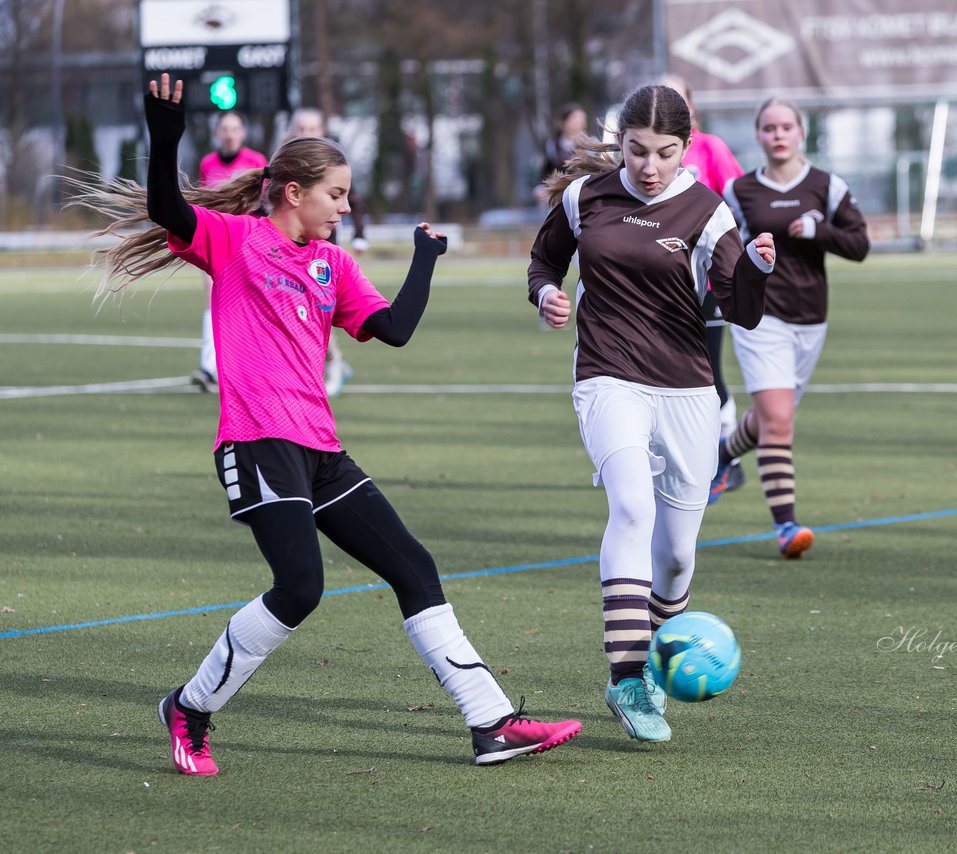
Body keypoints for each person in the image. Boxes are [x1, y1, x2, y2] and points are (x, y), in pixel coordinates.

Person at [71, 73, 580, 775]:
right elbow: (166, 207)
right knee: (300, 588)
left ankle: (490, 722)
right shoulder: (233, 239)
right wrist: (164, 137)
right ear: (293, 193)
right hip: (255, 443)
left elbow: (394, 329)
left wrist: (424, 262)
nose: (346, 207)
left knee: (414, 567)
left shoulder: (333, 265)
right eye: (336, 195)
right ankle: (189, 708)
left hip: (321, 451)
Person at [528, 84, 775, 743]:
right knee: (632, 508)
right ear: (622, 143)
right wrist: (548, 293)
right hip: (607, 379)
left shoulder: (706, 210)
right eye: (637, 151)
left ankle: (661, 653)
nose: (649, 167)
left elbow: (742, 311)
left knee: (675, 560)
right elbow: (545, 258)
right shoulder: (587, 197)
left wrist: (753, 271)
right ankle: (628, 677)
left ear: (685, 150)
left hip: (687, 391)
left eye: (665, 154)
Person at [710, 97, 870, 559]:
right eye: (768, 128)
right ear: (758, 136)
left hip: (810, 319)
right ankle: (787, 527)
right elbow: (718, 247)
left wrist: (818, 232)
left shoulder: (827, 186)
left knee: (768, 420)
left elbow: (859, 245)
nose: (777, 135)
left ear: (801, 133)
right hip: (759, 315)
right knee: (779, 421)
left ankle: (721, 454)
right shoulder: (740, 192)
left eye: (786, 127)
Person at [659, 74, 748, 494]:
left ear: (691, 106)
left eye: (678, 97)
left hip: (708, 281)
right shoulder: (649, 156)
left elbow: (739, 197)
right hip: (661, 287)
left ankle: (726, 459)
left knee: (710, 370)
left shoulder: (710, 148)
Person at [286, 107, 369, 397]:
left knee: (320, 310)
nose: (306, 134)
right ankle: (327, 365)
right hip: (290, 252)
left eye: (312, 128)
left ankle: (333, 363)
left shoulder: (333, 165)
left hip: (323, 254)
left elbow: (354, 202)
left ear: (322, 132)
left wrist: (360, 236)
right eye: (300, 128)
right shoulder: (284, 166)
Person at [191, 111, 268, 392]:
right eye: (224, 129)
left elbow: (265, 204)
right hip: (217, 240)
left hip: (248, 240)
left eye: (235, 128)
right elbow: (205, 201)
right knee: (213, 302)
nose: (230, 134)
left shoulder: (256, 162)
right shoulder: (208, 163)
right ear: (217, 134)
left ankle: (255, 365)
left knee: (253, 302)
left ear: (243, 133)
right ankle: (209, 368)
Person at [534, 103, 588, 203]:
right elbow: (546, 172)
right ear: (563, 123)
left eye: (581, 120)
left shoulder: (591, 146)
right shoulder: (552, 146)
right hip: (560, 198)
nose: (579, 124)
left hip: (584, 197)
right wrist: (540, 187)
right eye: (575, 120)